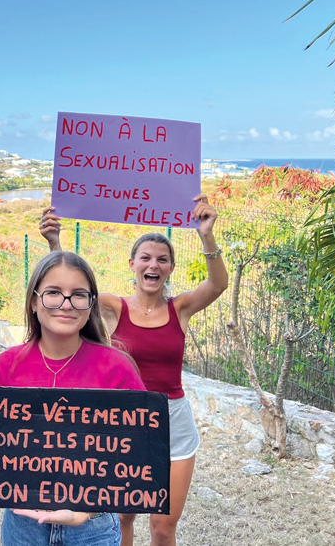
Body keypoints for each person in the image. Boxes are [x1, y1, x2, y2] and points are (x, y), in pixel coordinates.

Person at [39, 196, 228, 546]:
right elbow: (73, 290)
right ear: (133, 264)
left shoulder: (181, 308)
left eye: (162, 259)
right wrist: (55, 243)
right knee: (124, 516)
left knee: (162, 526)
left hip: (173, 421)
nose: (153, 265)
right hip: (125, 420)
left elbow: (217, 285)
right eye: (146, 258)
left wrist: (206, 236)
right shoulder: (112, 308)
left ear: (170, 267)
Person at [0, 251, 146, 546]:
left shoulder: (117, 367)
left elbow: (142, 453)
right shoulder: (7, 365)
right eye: (53, 293)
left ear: (91, 304)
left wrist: (86, 509)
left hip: (92, 530)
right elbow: (3, 446)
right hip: (23, 527)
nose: (66, 304)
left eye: (78, 295)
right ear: (34, 301)